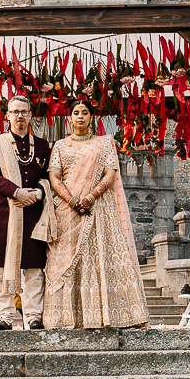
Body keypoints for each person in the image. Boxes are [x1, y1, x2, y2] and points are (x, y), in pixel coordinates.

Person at [43, 98, 148, 330]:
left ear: (91, 118)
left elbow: (110, 173)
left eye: (84, 112)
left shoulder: (103, 143)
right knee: (66, 259)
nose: (80, 116)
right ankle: (66, 319)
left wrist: (91, 197)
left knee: (102, 256)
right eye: (76, 112)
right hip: (67, 209)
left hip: (99, 208)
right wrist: (71, 200)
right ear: (70, 118)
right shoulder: (60, 145)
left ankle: (114, 317)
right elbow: (54, 176)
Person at [0, 95, 50, 330]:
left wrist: (38, 194)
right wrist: (16, 192)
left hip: (33, 213)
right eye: (15, 112)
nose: (19, 116)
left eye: (24, 111)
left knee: (33, 268)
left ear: (31, 116)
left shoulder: (41, 146)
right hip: (4, 214)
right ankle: (5, 316)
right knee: (0, 268)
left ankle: (33, 316)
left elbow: (49, 178)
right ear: (8, 116)